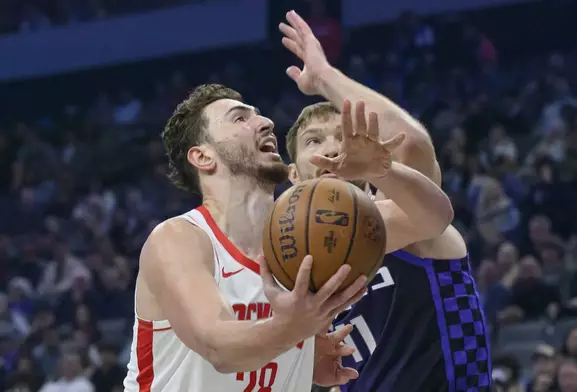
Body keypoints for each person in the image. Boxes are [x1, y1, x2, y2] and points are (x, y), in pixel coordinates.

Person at [123, 83, 451, 391]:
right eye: (240, 118)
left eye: (259, 114)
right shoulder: (180, 238)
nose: (265, 122)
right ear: (203, 157)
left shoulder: (308, 234)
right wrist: (294, 331)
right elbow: (218, 346)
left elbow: (432, 219)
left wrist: (383, 171)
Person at [280, 10, 492, 391]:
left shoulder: (402, 215)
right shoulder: (292, 266)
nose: (331, 149)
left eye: (341, 136)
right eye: (314, 141)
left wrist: (324, 77)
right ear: (293, 175)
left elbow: (410, 145)